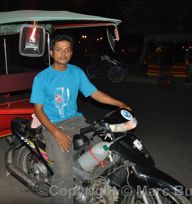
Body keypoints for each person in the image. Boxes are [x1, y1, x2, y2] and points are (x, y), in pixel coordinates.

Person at [30, 34, 130, 204]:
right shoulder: (42, 78)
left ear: (71, 53)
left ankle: (95, 190)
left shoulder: (76, 72)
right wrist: (55, 133)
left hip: (76, 121)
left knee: (109, 149)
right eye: (59, 50)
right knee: (63, 173)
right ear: (52, 53)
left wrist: (119, 103)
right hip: (53, 125)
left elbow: (95, 93)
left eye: (67, 50)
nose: (64, 53)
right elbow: (38, 110)